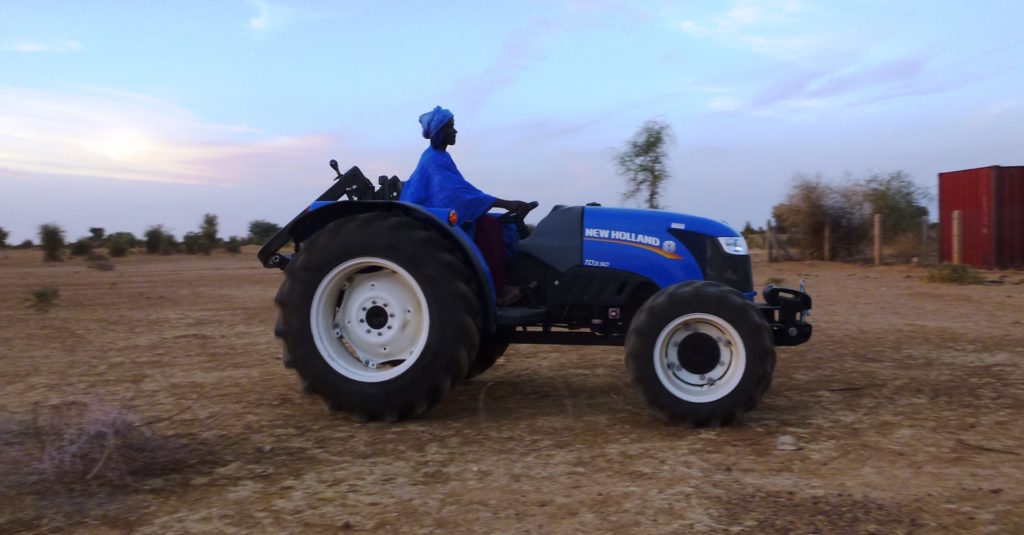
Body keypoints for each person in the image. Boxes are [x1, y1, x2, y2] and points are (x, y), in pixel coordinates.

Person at [400, 106, 533, 303]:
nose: (455, 131)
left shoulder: (442, 157)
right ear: (439, 132)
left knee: (506, 225)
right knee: (489, 226)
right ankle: (497, 290)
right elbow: (456, 195)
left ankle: (510, 277)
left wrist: (504, 207)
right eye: (450, 127)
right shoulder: (432, 160)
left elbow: (463, 192)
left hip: (442, 216)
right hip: (431, 221)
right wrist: (506, 204)